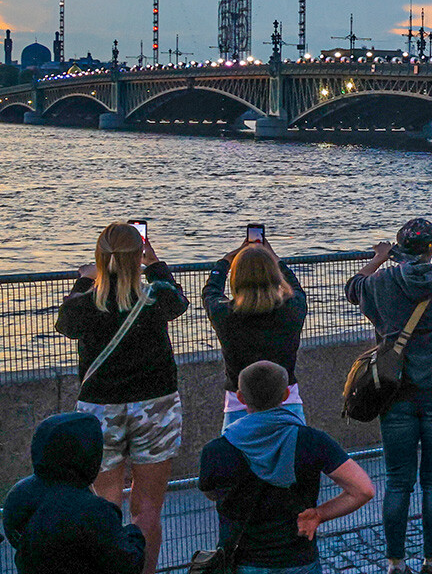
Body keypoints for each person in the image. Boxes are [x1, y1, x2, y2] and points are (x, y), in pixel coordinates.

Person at [56, 221, 189, 574]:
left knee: (106, 507)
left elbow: (66, 323)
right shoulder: (155, 298)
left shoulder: (86, 303)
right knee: (147, 509)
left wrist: (86, 278)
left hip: (101, 407)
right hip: (155, 404)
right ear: (137, 258)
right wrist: (156, 264)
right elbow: (179, 301)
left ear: (101, 258)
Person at [346, 217, 432, 574]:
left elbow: (353, 287)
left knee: (398, 480)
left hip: (395, 389)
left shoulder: (381, 282)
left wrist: (381, 257)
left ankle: (395, 564)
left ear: (399, 246)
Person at [198, 362, 376, 574]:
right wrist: (319, 514)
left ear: (241, 398)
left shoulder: (216, 450)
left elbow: (212, 493)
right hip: (299, 560)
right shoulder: (313, 441)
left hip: (242, 561)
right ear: (285, 395)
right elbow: (363, 490)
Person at [3, 413, 146, 574]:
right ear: (88, 453)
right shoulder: (92, 510)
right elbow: (127, 563)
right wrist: (134, 533)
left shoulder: (19, 496)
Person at [204, 238, 309, 428]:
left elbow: (210, 292)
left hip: (238, 405)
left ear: (236, 279)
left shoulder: (224, 314)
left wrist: (227, 260)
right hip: (287, 403)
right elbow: (296, 289)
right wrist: (276, 259)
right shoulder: (293, 309)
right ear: (275, 277)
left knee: (237, 456)